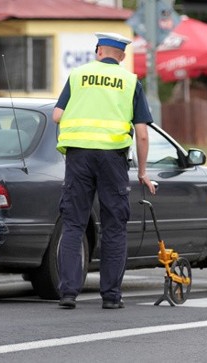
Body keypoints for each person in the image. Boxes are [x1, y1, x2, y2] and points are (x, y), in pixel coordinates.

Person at [53, 32, 156, 310]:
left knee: (74, 223)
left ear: (98, 51)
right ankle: (111, 296)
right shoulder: (130, 81)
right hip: (113, 159)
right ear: (121, 56)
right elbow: (142, 133)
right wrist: (143, 171)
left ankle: (68, 293)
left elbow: (57, 115)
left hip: (78, 157)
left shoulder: (78, 76)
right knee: (114, 226)